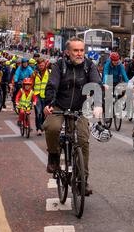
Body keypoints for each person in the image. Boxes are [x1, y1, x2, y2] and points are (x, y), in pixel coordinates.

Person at [43, 37, 103, 196]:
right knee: (52, 127)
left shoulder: (89, 66)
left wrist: (97, 104)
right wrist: (49, 104)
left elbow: (96, 84)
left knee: (83, 140)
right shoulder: (59, 66)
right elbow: (52, 85)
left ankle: (82, 180)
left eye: (81, 50)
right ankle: (54, 156)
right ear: (68, 52)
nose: (79, 54)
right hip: (60, 106)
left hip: (81, 108)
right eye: (75, 50)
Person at [32, 58, 49, 136]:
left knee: (44, 112)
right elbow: (31, 84)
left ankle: (42, 126)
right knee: (38, 112)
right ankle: (38, 128)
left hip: (46, 95)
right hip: (37, 95)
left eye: (42, 65)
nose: (41, 67)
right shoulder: (34, 73)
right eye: (39, 65)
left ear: (45, 64)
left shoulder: (49, 72)